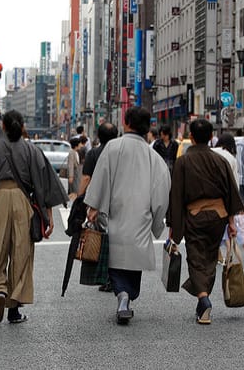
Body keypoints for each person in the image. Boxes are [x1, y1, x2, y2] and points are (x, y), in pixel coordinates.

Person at [0, 110, 68, 324]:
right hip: (23, 202)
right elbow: (43, 185)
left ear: (2, 126)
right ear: (22, 127)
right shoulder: (32, 150)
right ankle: (14, 309)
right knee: (21, 253)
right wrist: (48, 217)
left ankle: (0, 290)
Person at [85, 107, 171, 325]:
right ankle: (127, 296)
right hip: (141, 216)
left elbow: (101, 176)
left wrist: (93, 206)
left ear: (126, 122)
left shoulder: (113, 147)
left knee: (115, 258)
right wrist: (157, 221)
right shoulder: (154, 157)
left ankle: (121, 295)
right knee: (133, 261)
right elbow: (162, 192)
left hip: (114, 213)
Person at [168, 118, 243, 325]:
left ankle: (203, 299)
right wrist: (232, 222)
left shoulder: (183, 161)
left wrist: (174, 226)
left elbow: (177, 195)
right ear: (211, 137)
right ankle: (203, 297)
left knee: (195, 256)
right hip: (218, 216)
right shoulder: (221, 161)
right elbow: (231, 193)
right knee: (210, 256)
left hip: (195, 216)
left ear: (191, 137)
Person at [76, 122, 119, 293]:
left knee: (104, 238)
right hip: (120, 201)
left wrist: (80, 199)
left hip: (100, 202)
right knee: (116, 238)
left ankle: (107, 277)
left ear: (99, 137)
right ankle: (117, 276)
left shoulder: (94, 153)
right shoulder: (121, 154)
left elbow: (86, 178)